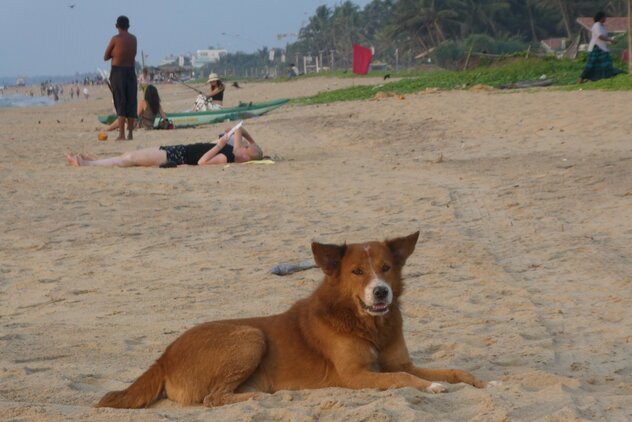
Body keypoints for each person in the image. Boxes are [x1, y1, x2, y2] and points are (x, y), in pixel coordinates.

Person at [66, 125, 263, 167]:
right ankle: (95, 160)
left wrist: (219, 146)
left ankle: (87, 164)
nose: (241, 146)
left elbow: (203, 163)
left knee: (131, 159)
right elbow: (239, 128)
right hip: (177, 149)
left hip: (177, 157)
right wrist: (252, 144)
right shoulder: (236, 149)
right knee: (130, 154)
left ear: (245, 157)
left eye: (245, 149)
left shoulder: (226, 156)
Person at [104, 15, 138, 140]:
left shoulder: (115, 39)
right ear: (128, 26)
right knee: (131, 101)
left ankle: (122, 134)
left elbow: (106, 56)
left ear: (117, 26)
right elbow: (132, 54)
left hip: (118, 72)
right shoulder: (133, 39)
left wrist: (115, 53)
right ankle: (130, 134)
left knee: (120, 101)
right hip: (130, 71)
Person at [579, 11, 625, 83]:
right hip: (596, 48)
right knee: (590, 65)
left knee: (606, 65)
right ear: (601, 18)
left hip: (602, 48)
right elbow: (600, 36)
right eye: (605, 17)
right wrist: (610, 40)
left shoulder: (602, 26)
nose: (605, 18)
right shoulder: (596, 25)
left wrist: (610, 41)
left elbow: (604, 38)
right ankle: (581, 79)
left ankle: (605, 78)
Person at [103, 84, 167, 131]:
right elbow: (165, 118)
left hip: (141, 126)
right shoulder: (158, 105)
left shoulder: (144, 102)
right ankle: (112, 128)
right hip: (150, 126)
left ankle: (107, 129)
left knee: (123, 117)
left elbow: (135, 116)